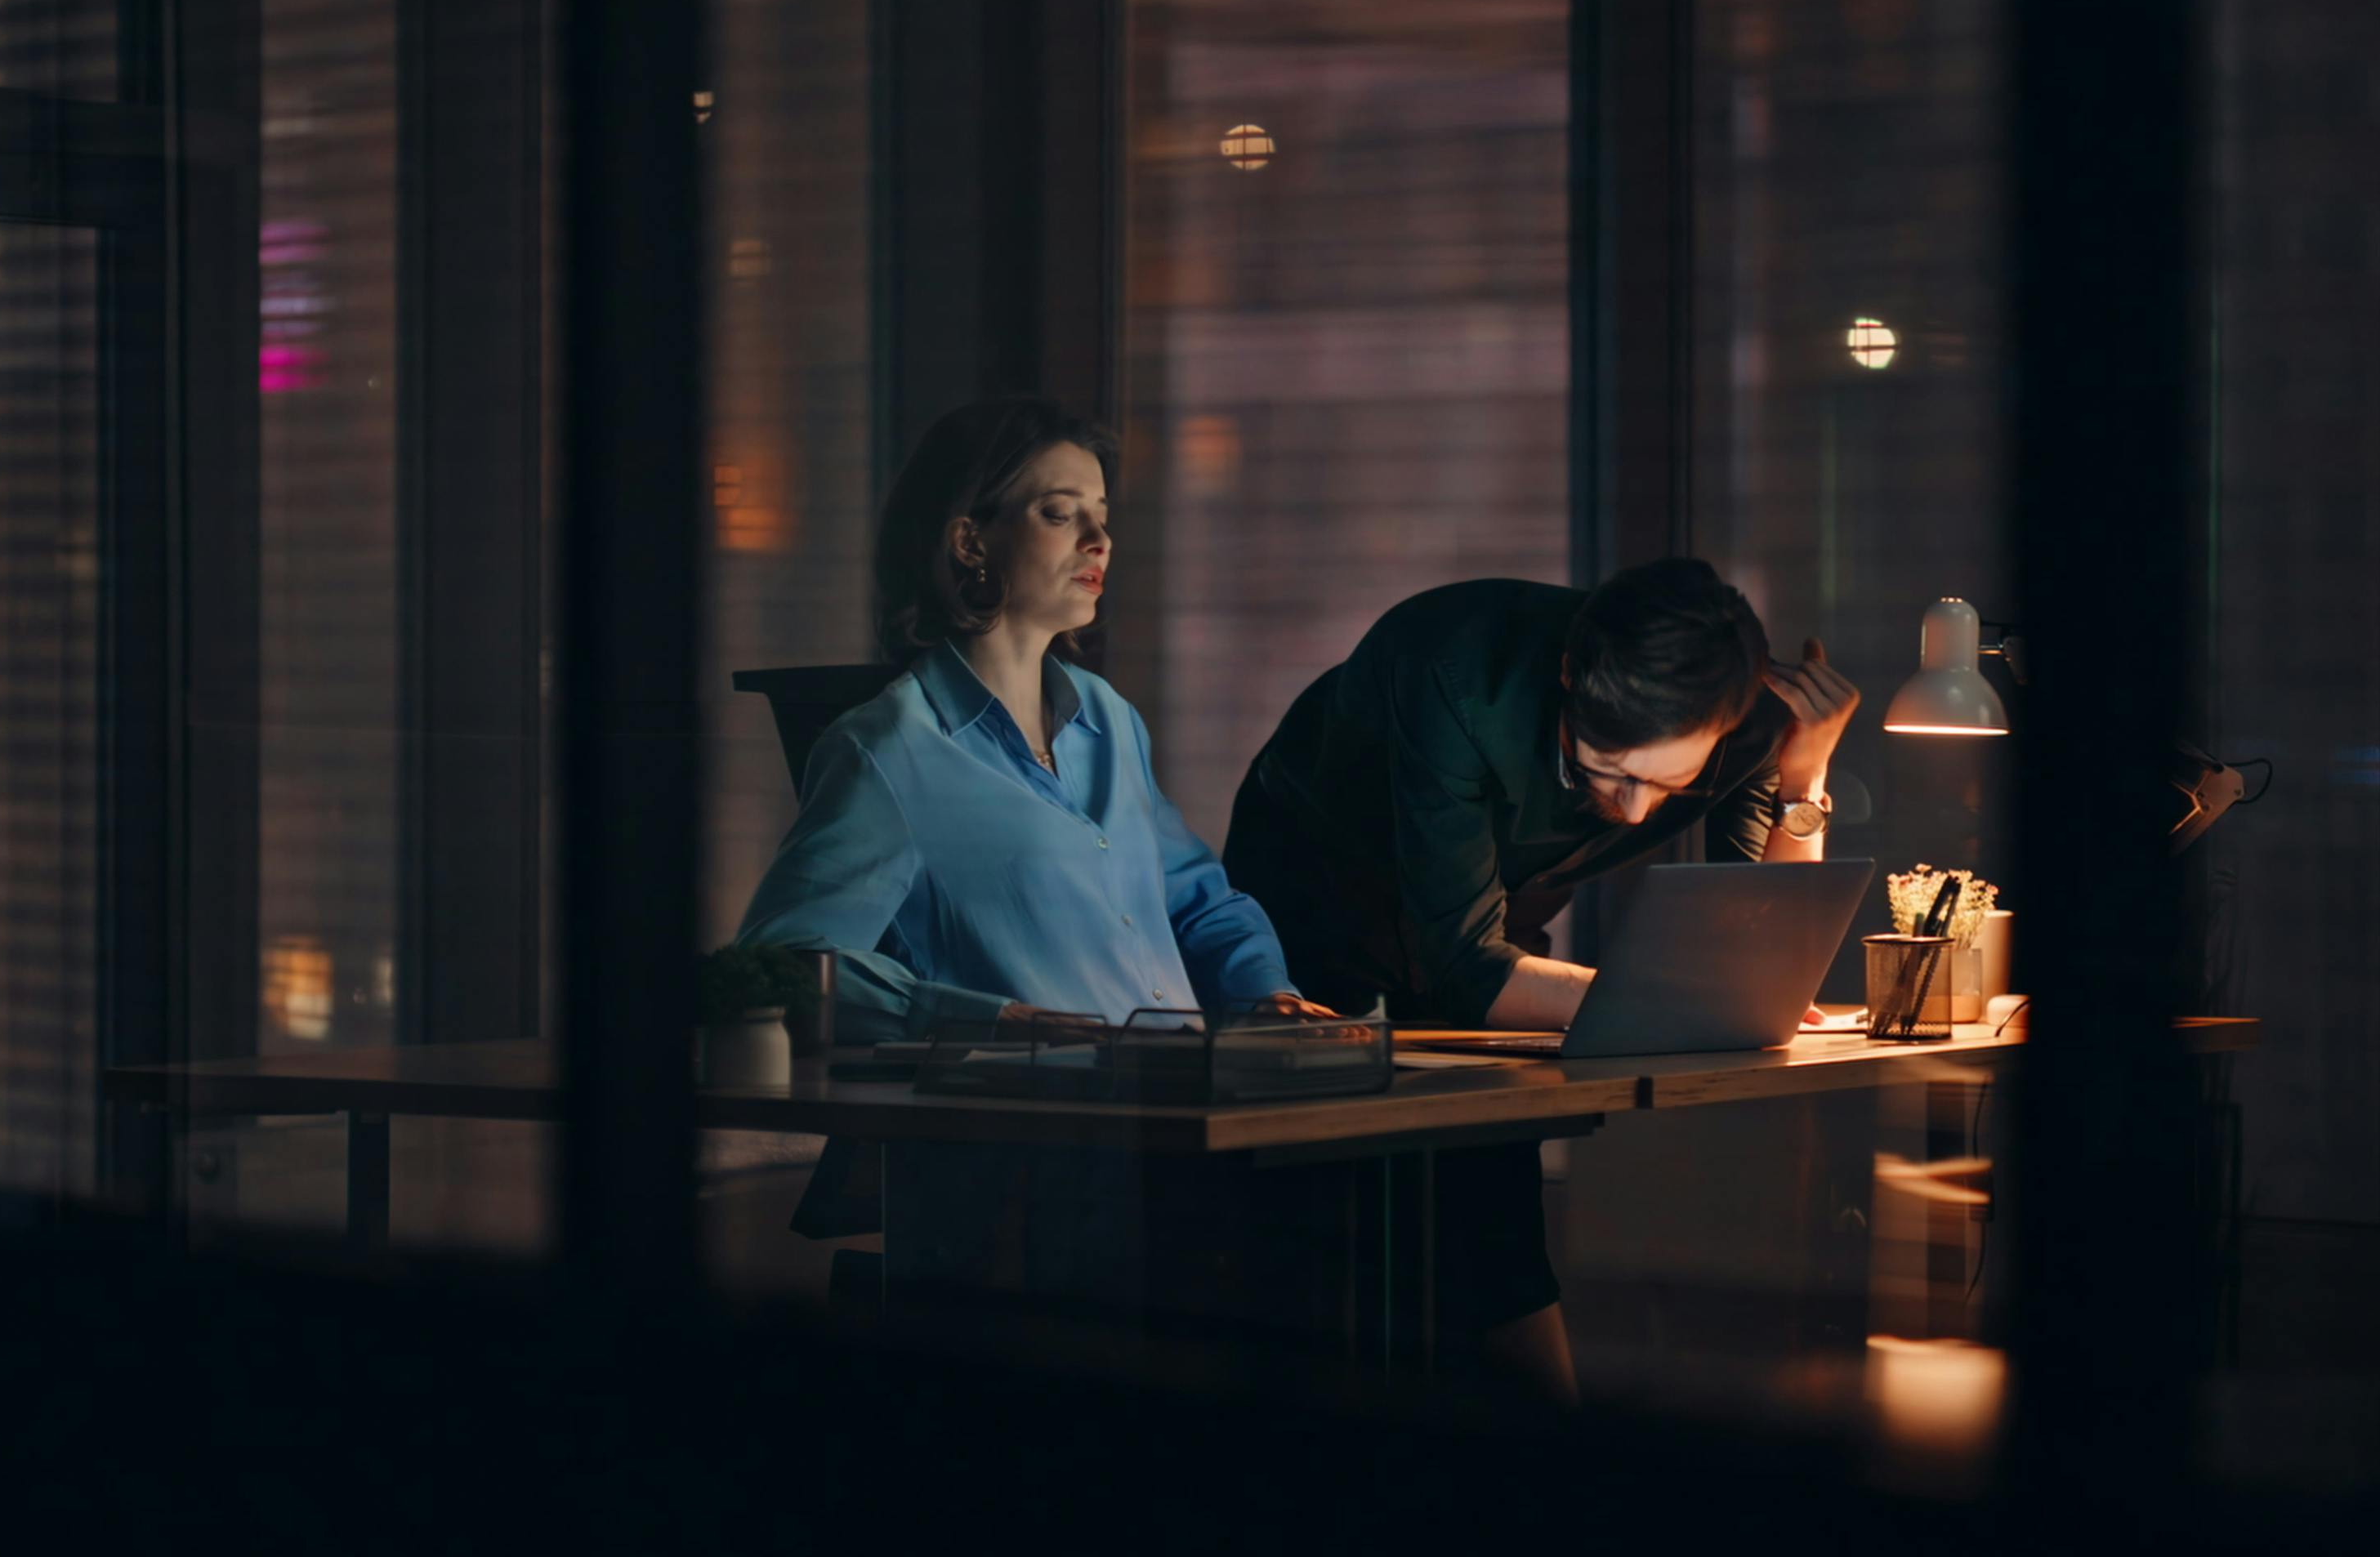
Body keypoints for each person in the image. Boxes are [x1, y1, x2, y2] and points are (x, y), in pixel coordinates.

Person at [1221, 564, 1861, 1398]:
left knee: (1494, 1210)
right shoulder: (1450, 663)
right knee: (1324, 1230)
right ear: (1568, 676)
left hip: (1487, 919)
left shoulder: (1748, 718)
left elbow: (1758, 951)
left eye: (1667, 785)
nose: (1637, 811)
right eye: (1609, 772)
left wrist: (1803, 779)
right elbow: (1463, 965)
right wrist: (1679, 1000)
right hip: (1317, 901)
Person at [737, 395, 1325, 1040]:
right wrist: (998, 1020)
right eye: (1059, 514)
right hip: (1031, 1097)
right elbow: (789, 961)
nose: (1099, 541)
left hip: (1176, 1091)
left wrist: (1268, 993)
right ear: (970, 541)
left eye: (1102, 517)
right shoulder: (887, 750)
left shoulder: (1110, 718)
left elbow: (1200, 903)